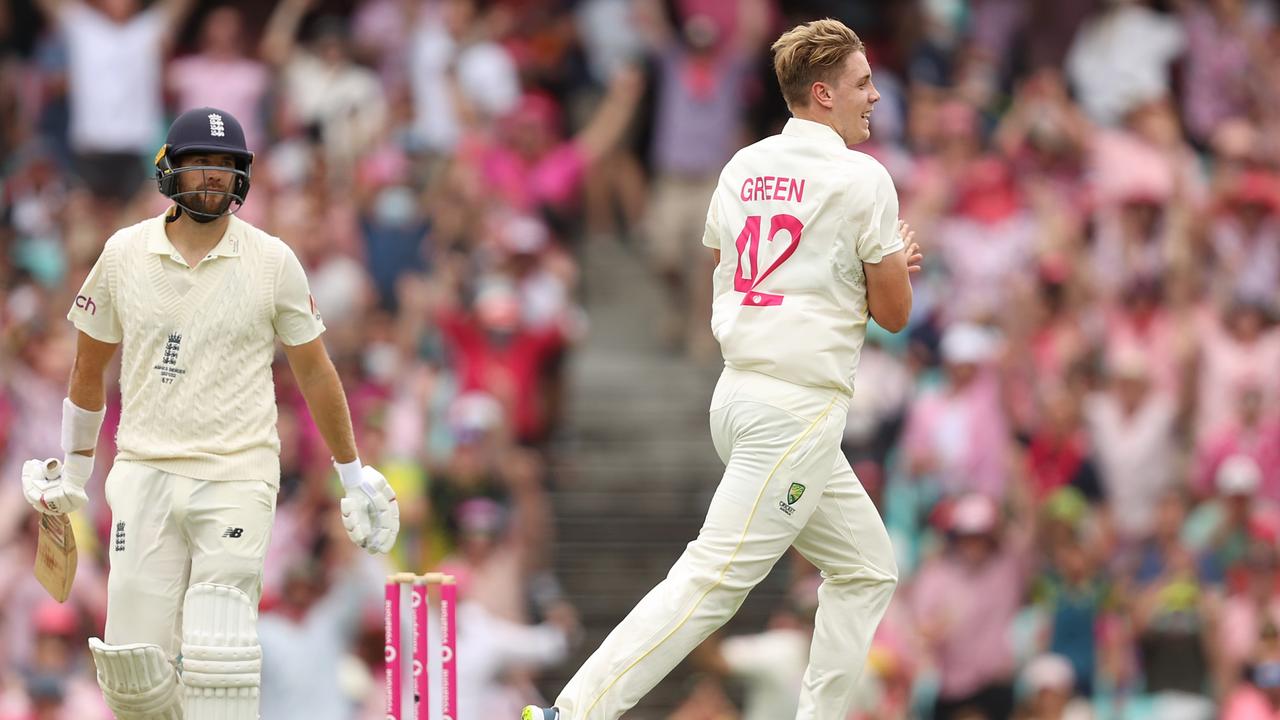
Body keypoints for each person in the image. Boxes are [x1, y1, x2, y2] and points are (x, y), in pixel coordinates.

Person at [524, 17, 919, 720]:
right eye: (863, 84)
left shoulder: (743, 165)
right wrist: (891, 267)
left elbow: (728, 265)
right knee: (712, 580)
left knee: (866, 569)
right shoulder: (865, 178)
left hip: (738, 394)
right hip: (796, 408)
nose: (875, 97)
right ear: (823, 94)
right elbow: (893, 313)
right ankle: (575, 711)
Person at [18, 107, 400, 720]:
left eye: (226, 166)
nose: (214, 177)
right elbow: (88, 369)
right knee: (131, 673)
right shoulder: (122, 253)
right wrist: (73, 470)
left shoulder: (273, 260)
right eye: (201, 163)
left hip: (237, 472)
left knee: (218, 653)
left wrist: (352, 473)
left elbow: (315, 370)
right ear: (169, 169)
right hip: (143, 470)